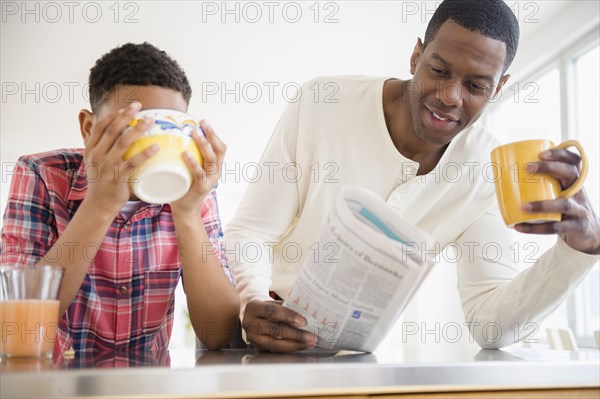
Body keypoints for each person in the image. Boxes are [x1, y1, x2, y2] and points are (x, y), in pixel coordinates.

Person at [224, 0, 600, 352]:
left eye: (476, 86)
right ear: (416, 56)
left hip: (357, 365)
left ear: (498, 88)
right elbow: (252, 231)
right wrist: (251, 301)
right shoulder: (321, 102)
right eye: (438, 70)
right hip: (263, 343)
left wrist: (577, 253)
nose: (450, 96)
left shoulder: (488, 168)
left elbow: (489, 325)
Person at [0, 42, 240, 353]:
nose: (148, 143)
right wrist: (100, 204)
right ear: (89, 129)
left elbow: (219, 332)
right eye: (133, 127)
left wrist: (187, 213)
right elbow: (17, 328)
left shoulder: (194, 189)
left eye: (166, 129)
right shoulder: (42, 174)